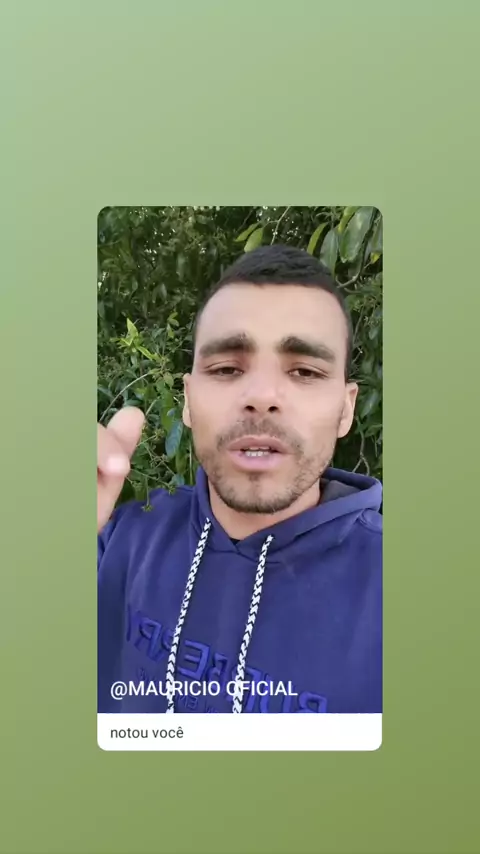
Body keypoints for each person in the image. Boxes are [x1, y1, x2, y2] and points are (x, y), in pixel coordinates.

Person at [97, 244, 382, 715]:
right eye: (226, 368)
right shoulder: (117, 541)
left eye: (305, 371)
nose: (262, 396)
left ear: (346, 409)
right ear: (189, 400)